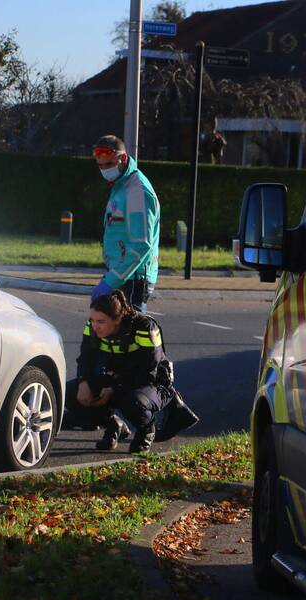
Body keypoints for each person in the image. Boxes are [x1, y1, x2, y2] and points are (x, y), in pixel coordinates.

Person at [63, 290, 198, 454]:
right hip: (113, 378)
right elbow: (85, 358)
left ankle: (146, 431)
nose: (95, 326)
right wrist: (84, 383)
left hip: (151, 382)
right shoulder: (92, 327)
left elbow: (148, 371)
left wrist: (114, 388)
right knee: (69, 393)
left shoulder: (144, 327)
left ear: (118, 319)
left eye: (101, 321)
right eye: (92, 320)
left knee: (133, 403)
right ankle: (114, 425)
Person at [91, 135, 160, 312]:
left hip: (132, 278)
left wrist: (110, 282)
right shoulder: (121, 186)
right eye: (100, 165)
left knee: (128, 335)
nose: (104, 170)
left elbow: (140, 246)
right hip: (122, 276)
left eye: (109, 165)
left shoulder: (136, 191)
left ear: (122, 159)